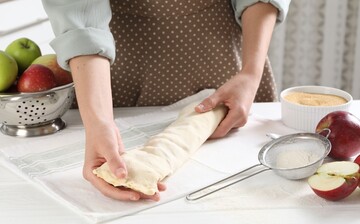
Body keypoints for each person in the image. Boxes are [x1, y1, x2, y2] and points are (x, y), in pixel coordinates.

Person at [41, 0, 291, 201]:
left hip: (224, 62)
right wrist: (100, 122)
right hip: (111, 69)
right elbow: (79, 13)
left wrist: (250, 73)